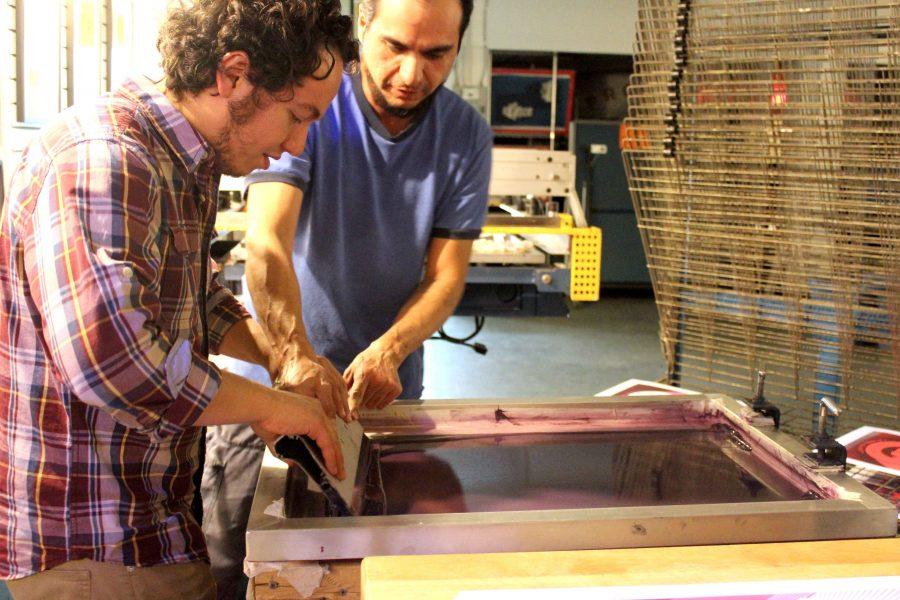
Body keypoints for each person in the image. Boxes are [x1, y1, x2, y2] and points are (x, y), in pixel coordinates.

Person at [0, 1, 356, 598]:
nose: (297, 145)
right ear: (234, 75)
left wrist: (280, 358)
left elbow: (194, 298)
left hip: (152, 524)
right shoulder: (105, 156)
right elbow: (113, 362)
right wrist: (270, 408)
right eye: (297, 116)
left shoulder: (185, 160)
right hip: (94, 549)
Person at [202, 0, 492, 595]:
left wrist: (391, 349)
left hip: (379, 396)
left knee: (370, 567)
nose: (412, 74)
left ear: (459, 42)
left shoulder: (464, 135)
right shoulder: (313, 106)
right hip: (269, 382)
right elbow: (268, 244)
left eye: (436, 53)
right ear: (363, 25)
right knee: (241, 561)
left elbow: (444, 277)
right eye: (395, 47)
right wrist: (293, 357)